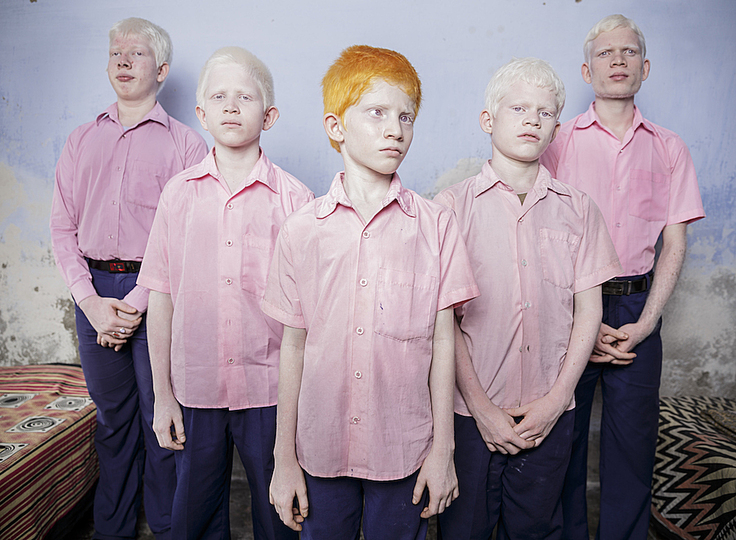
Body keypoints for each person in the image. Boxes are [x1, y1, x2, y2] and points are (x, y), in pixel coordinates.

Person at [263, 45, 479, 539]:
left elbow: (444, 342)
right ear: (336, 127)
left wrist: (443, 451)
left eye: (406, 116)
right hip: (320, 447)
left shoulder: (436, 225)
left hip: (404, 446)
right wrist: (284, 459)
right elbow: (293, 345)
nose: (395, 129)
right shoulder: (302, 230)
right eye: (377, 112)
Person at [434, 57, 621, 539]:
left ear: (557, 127)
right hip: (472, 413)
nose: (532, 119)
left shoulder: (578, 209)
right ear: (488, 119)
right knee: (464, 529)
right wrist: (481, 407)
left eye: (544, 112)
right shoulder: (450, 209)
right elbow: (444, 323)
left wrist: (558, 399)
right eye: (519, 108)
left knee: (537, 527)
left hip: (550, 411)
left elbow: (589, 311)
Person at [540, 15, 705, 540]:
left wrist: (645, 325)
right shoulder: (558, 140)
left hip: (639, 308)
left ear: (645, 67)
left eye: (629, 52)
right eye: (606, 53)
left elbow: (673, 245)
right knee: (560, 443)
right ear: (587, 70)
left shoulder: (670, 147)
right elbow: (538, 235)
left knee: (633, 448)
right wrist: (578, 322)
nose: (618, 60)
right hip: (570, 306)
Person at [138, 47, 313, 539]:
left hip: (272, 392)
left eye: (245, 97)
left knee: (281, 517)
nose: (232, 106)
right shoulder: (179, 194)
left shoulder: (298, 200)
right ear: (201, 114)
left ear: (269, 114)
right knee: (191, 519)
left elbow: (308, 316)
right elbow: (161, 296)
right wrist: (163, 396)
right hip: (195, 388)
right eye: (219, 96)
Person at [50, 17, 207, 539]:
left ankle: (165, 526)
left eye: (136, 54)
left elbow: (190, 235)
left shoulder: (187, 146)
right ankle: (112, 530)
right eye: (116, 52)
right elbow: (62, 227)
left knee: (161, 422)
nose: (122, 60)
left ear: (160, 70)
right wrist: (91, 303)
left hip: (159, 293)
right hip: (92, 292)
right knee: (112, 423)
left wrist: (139, 302)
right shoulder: (80, 140)